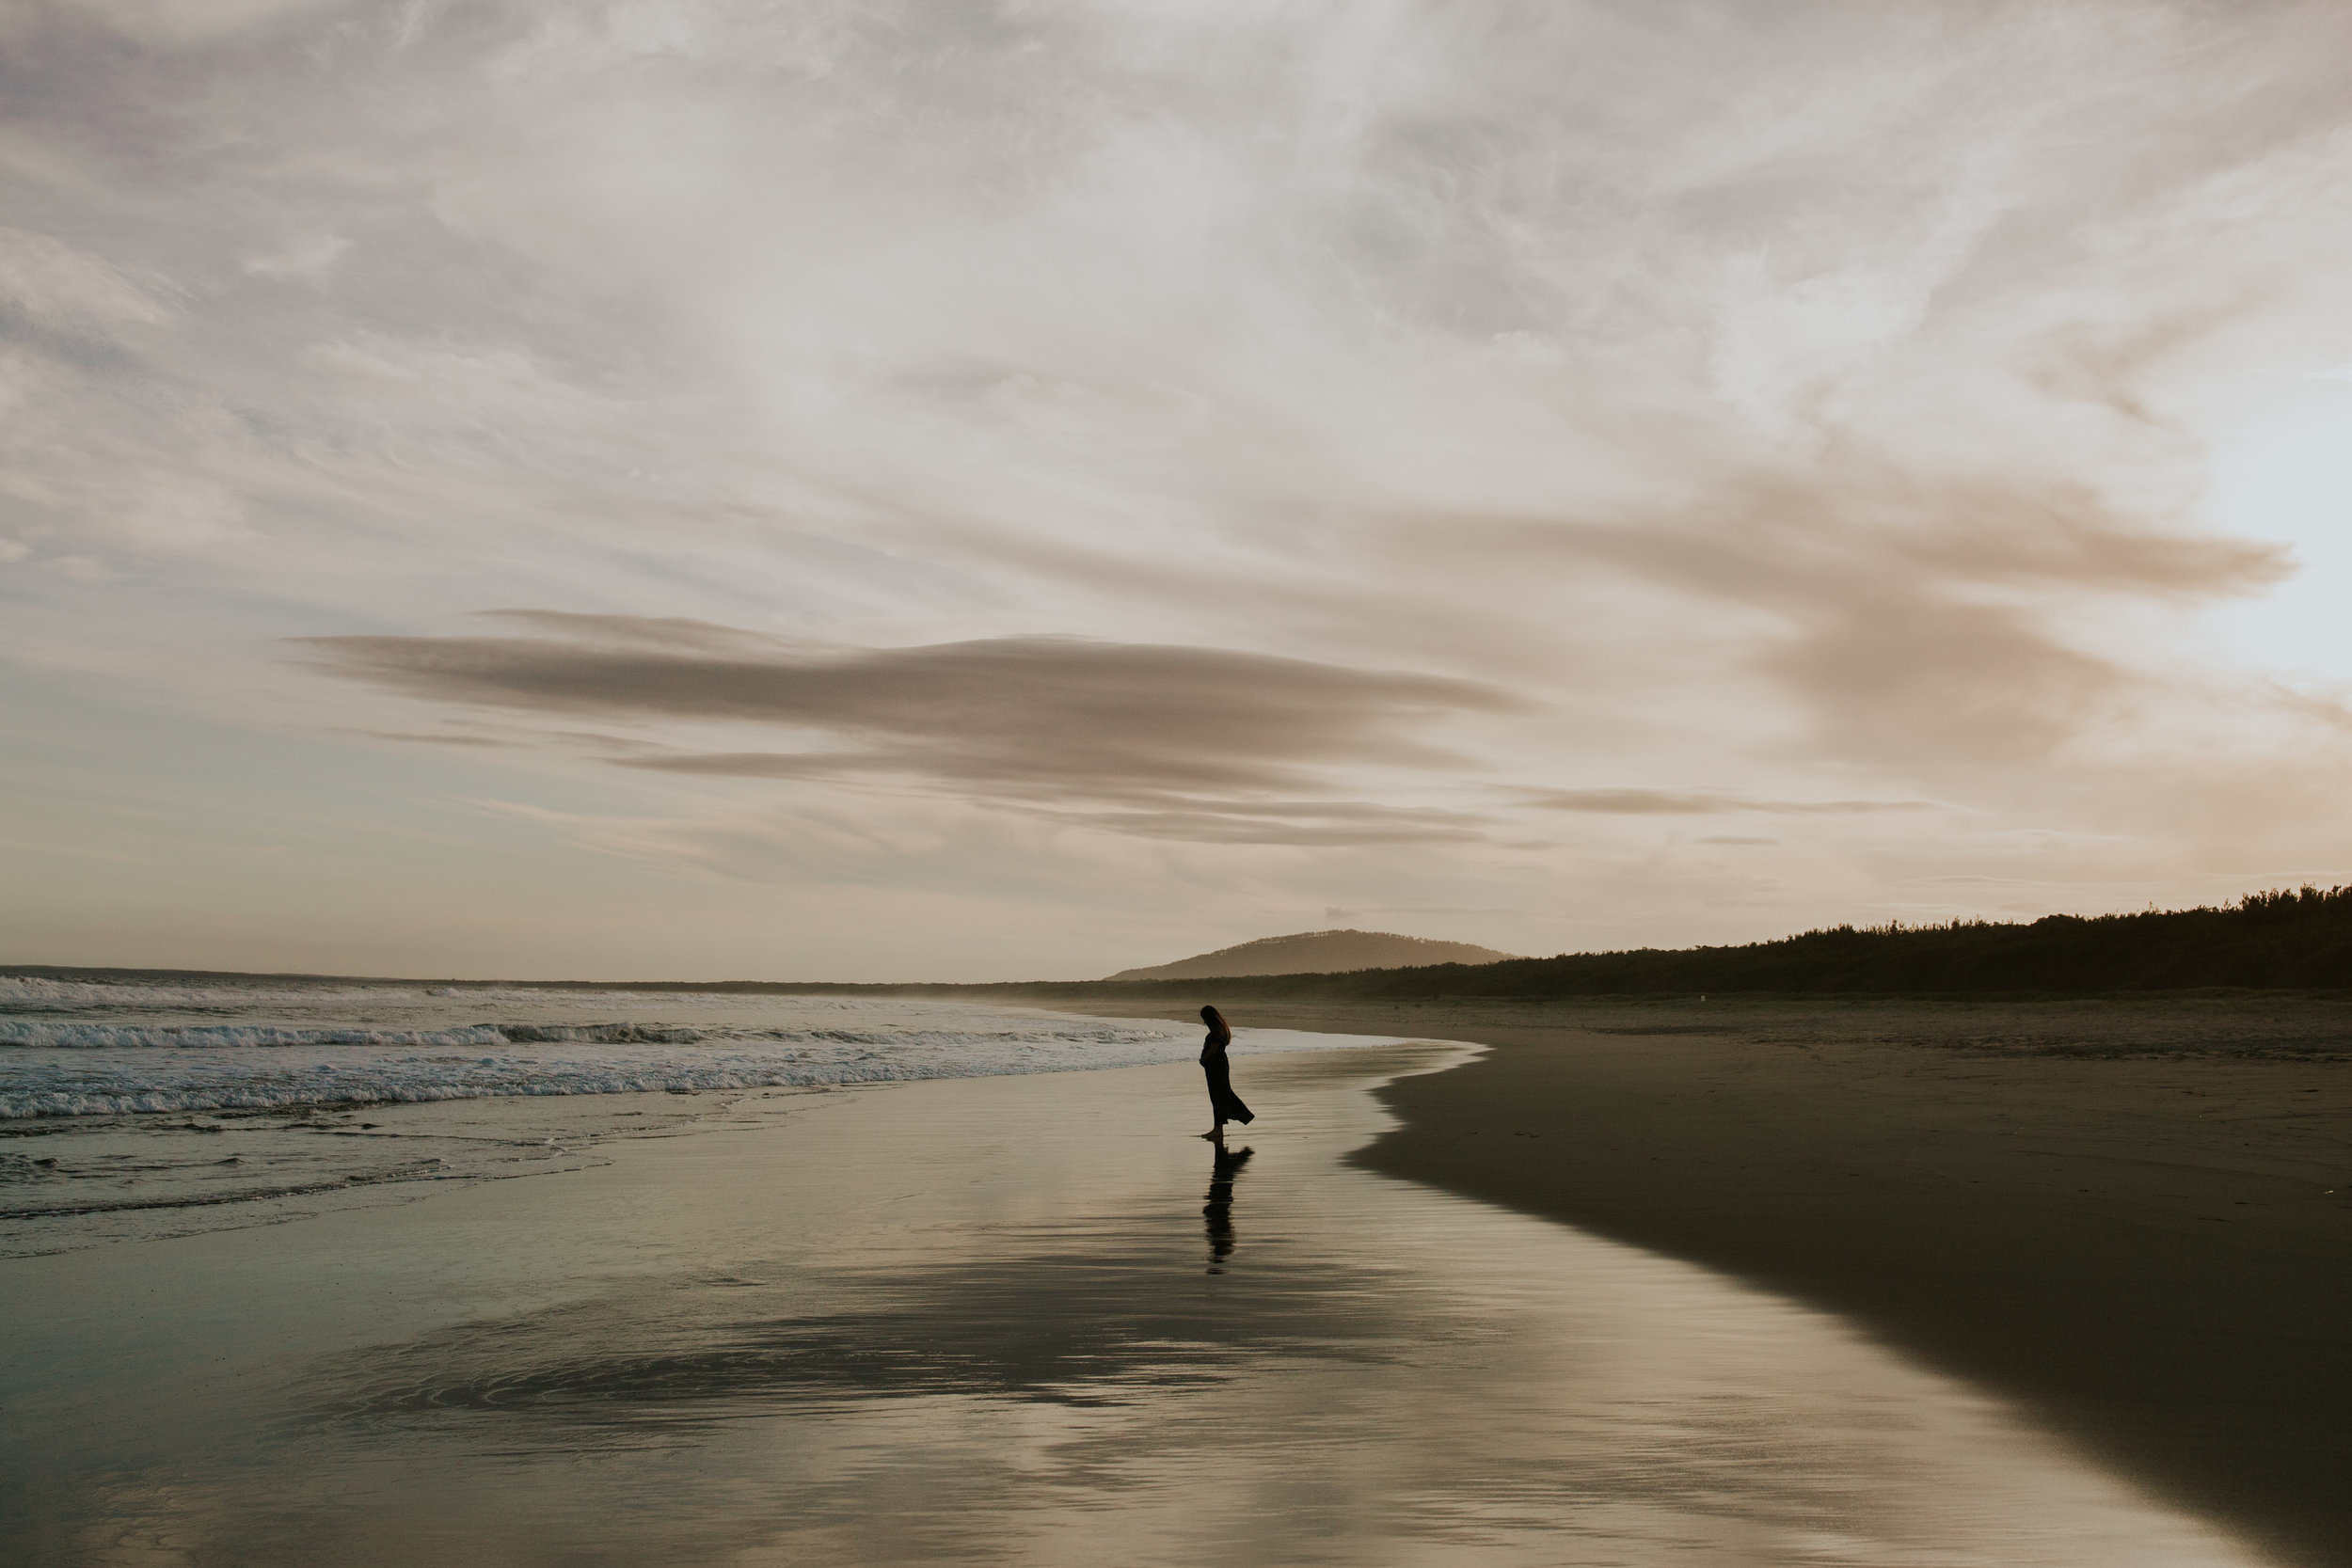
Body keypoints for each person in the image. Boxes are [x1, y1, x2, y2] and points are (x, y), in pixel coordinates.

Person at [1198, 1004, 1254, 1142]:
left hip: (1216, 1065)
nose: (1204, 1022)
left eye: (1204, 1018)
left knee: (1219, 1095)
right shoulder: (1220, 1029)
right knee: (1220, 1095)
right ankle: (1218, 1129)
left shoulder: (1216, 1031)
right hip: (1217, 1065)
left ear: (1210, 1018)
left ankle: (1222, 1127)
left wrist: (1203, 1059)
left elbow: (1214, 1049)